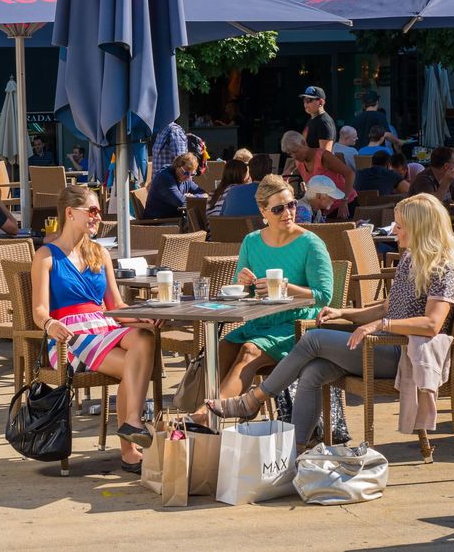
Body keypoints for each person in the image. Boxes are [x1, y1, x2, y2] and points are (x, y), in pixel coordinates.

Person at [205, 194, 454, 453]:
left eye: (400, 226)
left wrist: (380, 325)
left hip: (406, 353)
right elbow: (386, 308)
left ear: (419, 228)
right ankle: (295, 452)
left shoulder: (443, 268)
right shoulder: (411, 260)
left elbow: (432, 324)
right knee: (314, 371)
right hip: (386, 345)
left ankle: (252, 400)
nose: (394, 231)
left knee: (313, 339)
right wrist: (342, 313)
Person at [187, 175, 333, 426]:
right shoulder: (252, 241)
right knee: (218, 352)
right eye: (278, 209)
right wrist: (242, 283)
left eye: (291, 205)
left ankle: (204, 417)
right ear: (263, 211)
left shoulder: (311, 243)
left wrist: (288, 288)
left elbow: (324, 295)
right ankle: (205, 417)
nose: (287, 213)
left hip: (295, 326)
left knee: (248, 351)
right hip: (258, 322)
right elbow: (240, 292)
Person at [32, 185, 158, 473]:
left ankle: (133, 423)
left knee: (143, 336)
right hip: (70, 337)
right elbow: (39, 311)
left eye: (98, 211)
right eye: (92, 210)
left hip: (105, 326)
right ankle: (130, 446)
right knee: (134, 364)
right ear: (69, 213)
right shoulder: (46, 256)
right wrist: (50, 324)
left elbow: (116, 305)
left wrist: (144, 318)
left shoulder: (99, 253)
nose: (97, 217)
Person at [281, 130, 356, 219]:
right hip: (324, 209)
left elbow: (350, 173)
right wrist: (289, 170)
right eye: (290, 154)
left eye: (296, 151)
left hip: (344, 205)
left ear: (303, 143)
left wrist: (344, 201)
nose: (294, 156)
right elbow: (294, 161)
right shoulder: (299, 161)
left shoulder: (323, 156)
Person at [144, 152, 205, 219]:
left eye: (192, 174)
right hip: (157, 221)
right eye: (186, 173)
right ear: (177, 166)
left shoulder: (187, 178)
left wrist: (192, 197)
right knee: (195, 222)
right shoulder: (165, 178)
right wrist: (192, 199)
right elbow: (181, 202)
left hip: (174, 218)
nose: (189, 177)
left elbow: (203, 193)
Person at [300, 86, 335, 153]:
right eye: (304, 100)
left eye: (309, 100)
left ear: (321, 102)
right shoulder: (311, 120)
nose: (305, 103)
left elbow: (325, 154)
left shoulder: (324, 122)